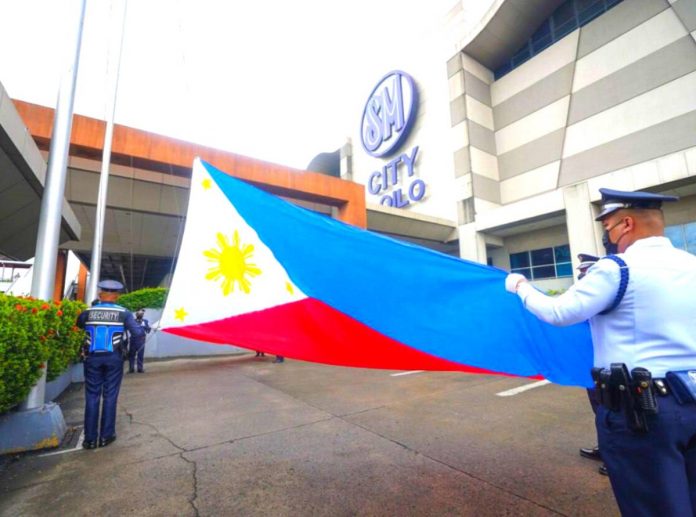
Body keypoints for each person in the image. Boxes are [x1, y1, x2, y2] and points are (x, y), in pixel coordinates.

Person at [505, 188, 696, 515]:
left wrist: (521, 287)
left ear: (626, 224)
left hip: (644, 413)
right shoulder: (691, 265)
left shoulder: (617, 268)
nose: (608, 237)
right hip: (689, 397)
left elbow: (559, 313)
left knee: (654, 504)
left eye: (607, 228)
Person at [76, 280, 144, 449]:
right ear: (117, 296)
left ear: (100, 294)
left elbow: (79, 325)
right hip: (114, 357)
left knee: (92, 396)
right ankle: (106, 436)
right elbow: (138, 334)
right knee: (110, 395)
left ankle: (89, 439)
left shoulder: (88, 312)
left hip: (92, 357)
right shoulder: (124, 313)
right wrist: (131, 353)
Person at [574, 253, 608, 476]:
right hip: (592, 367)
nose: (582, 278)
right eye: (581, 275)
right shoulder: (584, 296)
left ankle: (616, 458)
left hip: (609, 367)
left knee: (611, 412)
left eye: (585, 274)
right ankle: (605, 449)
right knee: (599, 410)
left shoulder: (605, 296)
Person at [128, 308, 151, 373]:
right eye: (139, 313)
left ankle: (140, 368)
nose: (141, 314)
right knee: (131, 355)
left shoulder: (145, 321)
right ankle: (131, 368)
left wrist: (144, 326)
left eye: (142, 313)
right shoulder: (132, 321)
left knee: (140, 355)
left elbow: (148, 330)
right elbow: (129, 329)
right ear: (136, 314)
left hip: (141, 340)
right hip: (133, 339)